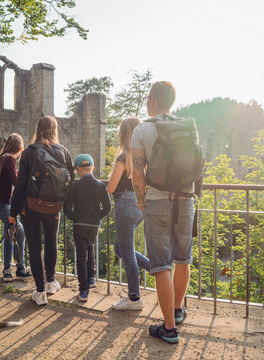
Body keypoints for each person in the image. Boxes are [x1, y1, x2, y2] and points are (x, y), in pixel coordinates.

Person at [131, 81, 196, 344]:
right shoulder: (188, 126)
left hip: (157, 201)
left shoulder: (142, 129)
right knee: (183, 258)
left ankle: (169, 328)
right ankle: (178, 311)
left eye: (148, 98)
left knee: (160, 265)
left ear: (153, 100)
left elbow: (137, 172)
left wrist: (142, 202)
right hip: (186, 199)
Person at [9, 116, 74, 306]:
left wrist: (13, 213)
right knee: (51, 241)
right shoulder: (63, 151)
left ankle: (40, 291)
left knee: (35, 246)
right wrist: (64, 204)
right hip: (54, 205)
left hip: (31, 205)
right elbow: (70, 180)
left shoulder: (30, 152)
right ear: (55, 129)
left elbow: (20, 185)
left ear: (37, 129)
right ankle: (52, 282)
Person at [107, 117, 150, 311]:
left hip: (124, 204)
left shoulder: (123, 156)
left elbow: (111, 187)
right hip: (139, 205)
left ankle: (134, 298)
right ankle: (155, 269)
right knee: (121, 249)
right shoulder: (143, 157)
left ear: (123, 134)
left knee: (127, 252)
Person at [64, 154, 111, 302]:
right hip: (93, 225)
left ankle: (83, 291)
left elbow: (67, 207)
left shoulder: (75, 186)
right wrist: (97, 217)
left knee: (81, 258)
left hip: (79, 224)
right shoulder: (101, 185)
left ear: (78, 169)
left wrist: (74, 217)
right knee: (90, 249)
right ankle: (91, 278)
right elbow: (108, 207)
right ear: (92, 168)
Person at [0, 133, 31, 282]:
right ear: (19, 149)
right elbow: (15, 181)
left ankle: (10, 269)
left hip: (1, 204)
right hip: (3, 205)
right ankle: (18, 268)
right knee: (19, 232)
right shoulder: (9, 159)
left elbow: (12, 175)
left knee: (10, 234)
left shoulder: (3, 158)